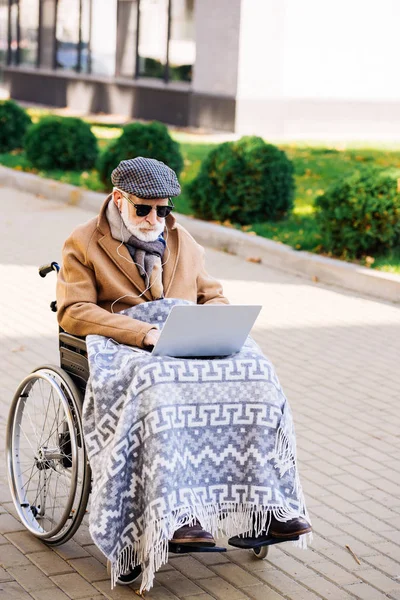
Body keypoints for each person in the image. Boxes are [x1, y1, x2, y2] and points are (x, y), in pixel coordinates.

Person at [57, 157, 311, 586]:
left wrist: (218, 322)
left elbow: (211, 294)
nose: (155, 218)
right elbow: (75, 310)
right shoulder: (83, 243)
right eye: (144, 209)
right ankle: (175, 515)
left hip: (184, 338)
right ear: (119, 199)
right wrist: (144, 333)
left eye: (164, 209)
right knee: (158, 384)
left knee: (257, 372)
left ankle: (268, 508)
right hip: (121, 343)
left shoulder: (184, 240)